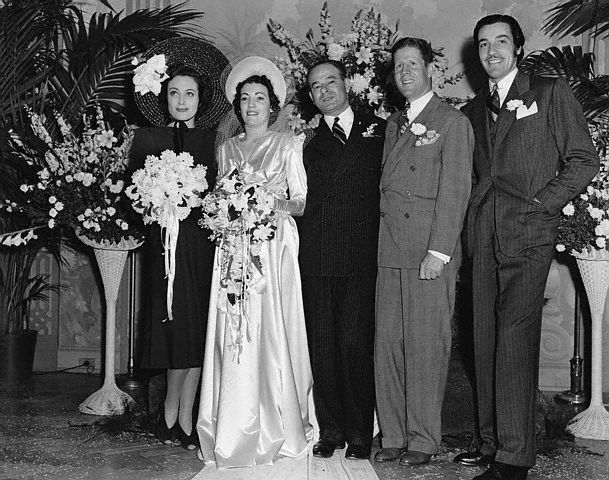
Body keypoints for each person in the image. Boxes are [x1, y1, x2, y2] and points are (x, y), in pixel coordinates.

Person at [453, 15, 599, 480]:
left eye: (501, 42)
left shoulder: (550, 92)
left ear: (517, 47)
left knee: (514, 341)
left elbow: (583, 160)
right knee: (484, 343)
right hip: (483, 237)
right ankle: (491, 442)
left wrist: (544, 205)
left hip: (529, 235)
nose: (491, 51)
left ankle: (514, 460)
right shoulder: (473, 110)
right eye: (483, 44)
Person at [196, 56, 313, 468]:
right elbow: (217, 198)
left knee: (269, 331)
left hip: (270, 248)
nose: (251, 105)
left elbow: (299, 202)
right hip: (231, 251)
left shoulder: (288, 145)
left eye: (259, 98)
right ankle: (230, 422)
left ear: (272, 104)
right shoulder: (226, 148)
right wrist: (225, 209)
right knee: (233, 331)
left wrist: (265, 203)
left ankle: (275, 422)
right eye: (245, 98)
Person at [374, 37, 473, 467]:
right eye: (399, 67)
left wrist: (440, 252)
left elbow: (456, 192)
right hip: (390, 249)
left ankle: (423, 437)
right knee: (388, 345)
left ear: (430, 68)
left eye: (413, 64)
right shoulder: (394, 123)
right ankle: (393, 433)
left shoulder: (451, 121)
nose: (406, 72)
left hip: (428, 251)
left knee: (426, 347)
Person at [130, 37, 230, 450]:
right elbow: (134, 196)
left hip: (201, 247)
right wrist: (160, 199)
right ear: (164, 97)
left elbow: (220, 194)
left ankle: (186, 414)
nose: (182, 100)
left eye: (189, 93)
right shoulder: (148, 137)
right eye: (174, 93)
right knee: (171, 328)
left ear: (200, 99)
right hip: (164, 251)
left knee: (195, 329)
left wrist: (195, 199)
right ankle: (170, 409)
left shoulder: (212, 141)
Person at [298, 60, 385, 460]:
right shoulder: (304, 141)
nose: (325, 91)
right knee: (323, 345)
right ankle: (330, 429)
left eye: (331, 81)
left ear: (346, 84)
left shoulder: (381, 130)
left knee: (355, 344)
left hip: (361, 256)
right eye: (316, 87)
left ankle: (361, 431)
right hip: (316, 255)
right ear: (311, 96)